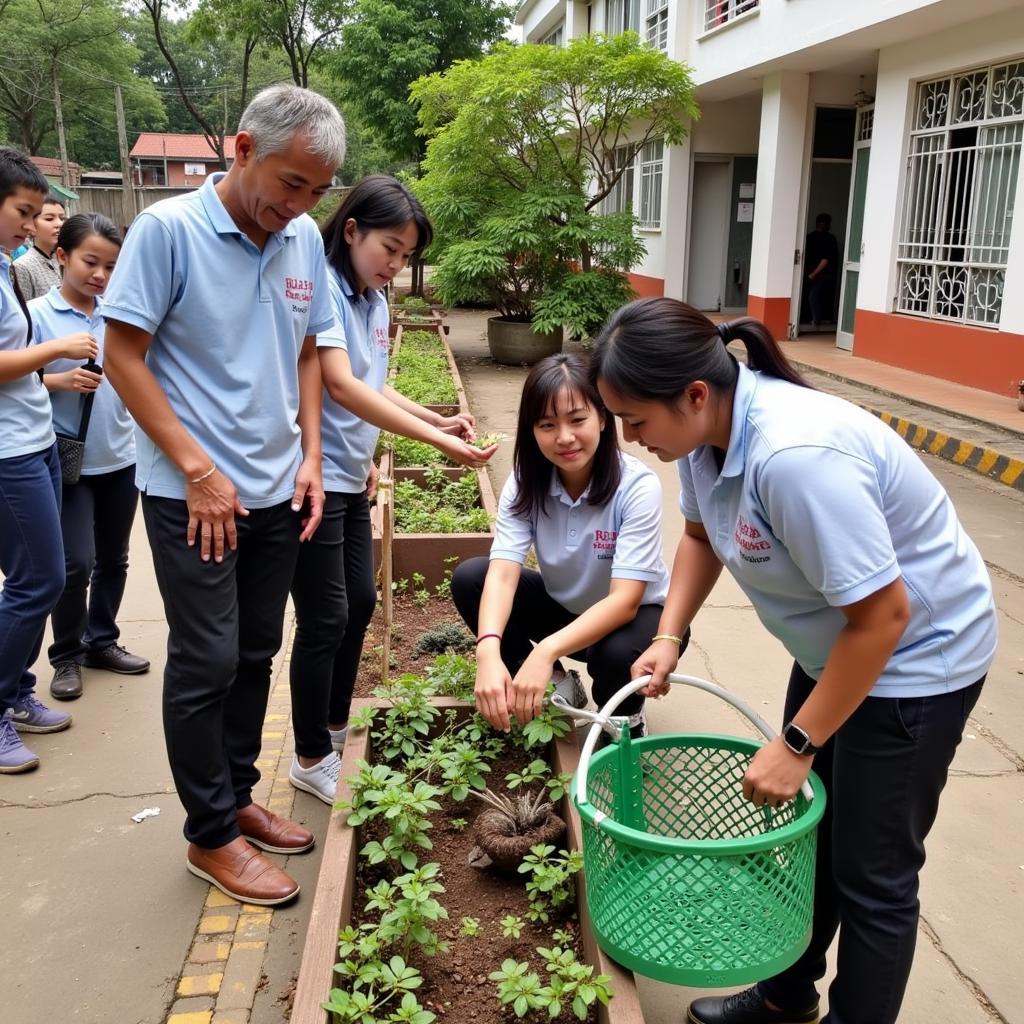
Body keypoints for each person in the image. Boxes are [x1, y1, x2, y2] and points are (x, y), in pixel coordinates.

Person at [590, 297, 998, 1024]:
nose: (629, 438)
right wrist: (668, 636)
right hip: (835, 647)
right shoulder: (706, 437)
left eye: (636, 421)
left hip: (915, 665)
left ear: (694, 394)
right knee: (816, 839)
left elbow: (884, 618)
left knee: (874, 876)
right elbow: (699, 537)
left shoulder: (795, 459)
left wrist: (799, 742)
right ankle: (786, 995)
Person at [102, 84, 347, 906]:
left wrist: (312, 456)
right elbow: (124, 357)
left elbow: (310, 352)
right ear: (243, 150)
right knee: (206, 659)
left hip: (277, 486)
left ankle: (237, 796)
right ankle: (209, 836)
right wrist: (199, 470)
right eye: (291, 183)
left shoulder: (303, 238)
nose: (301, 204)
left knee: (254, 652)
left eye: (317, 191)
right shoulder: (168, 232)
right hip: (190, 495)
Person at [290, 175, 495, 804]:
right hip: (314, 478)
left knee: (359, 602)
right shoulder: (322, 289)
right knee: (325, 615)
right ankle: (307, 753)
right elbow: (341, 386)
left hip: (353, 476)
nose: (397, 265)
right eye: (390, 248)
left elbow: (372, 382)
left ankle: (332, 721)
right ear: (351, 231)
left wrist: (436, 418)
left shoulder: (374, 300)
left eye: (407, 256)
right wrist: (441, 446)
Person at [451, 352, 678, 736]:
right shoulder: (526, 482)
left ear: (603, 418)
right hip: (567, 611)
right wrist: (487, 650)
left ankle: (624, 719)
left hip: (640, 620)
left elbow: (624, 601)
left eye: (577, 419)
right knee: (472, 577)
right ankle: (557, 683)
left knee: (616, 655)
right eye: (547, 424)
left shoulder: (636, 486)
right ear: (531, 430)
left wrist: (545, 648)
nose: (565, 437)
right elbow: (503, 576)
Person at [30, 213, 149, 703]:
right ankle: (66, 656)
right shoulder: (36, 314)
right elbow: (13, 382)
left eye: (110, 266)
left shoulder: (118, 313)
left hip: (120, 455)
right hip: (67, 459)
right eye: (90, 262)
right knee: (75, 562)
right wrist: (57, 380)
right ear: (62, 256)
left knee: (114, 559)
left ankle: (103, 641)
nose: (99, 275)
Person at [0, 150, 82, 774]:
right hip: (9, 454)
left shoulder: (6, 267)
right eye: (23, 212)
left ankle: (15, 691)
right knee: (41, 581)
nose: (31, 226)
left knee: (31, 579)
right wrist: (54, 348)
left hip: (35, 441)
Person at [14, 194, 66, 299]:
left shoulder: (68, 258)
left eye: (62, 218)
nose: (59, 224)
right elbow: (24, 311)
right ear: (31, 224)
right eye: (49, 219)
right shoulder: (22, 266)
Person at [803, 213, 839, 327]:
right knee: (817, 296)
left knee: (812, 296)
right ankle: (817, 320)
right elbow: (826, 260)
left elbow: (825, 259)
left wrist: (811, 274)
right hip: (823, 275)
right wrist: (813, 274)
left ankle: (814, 320)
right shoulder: (830, 239)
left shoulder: (810, 237)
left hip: (813, 273)